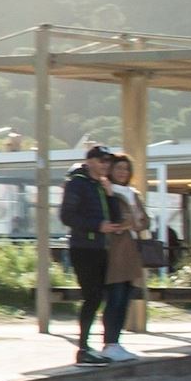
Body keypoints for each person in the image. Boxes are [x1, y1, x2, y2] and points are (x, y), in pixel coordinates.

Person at [59, 144, 128, 366]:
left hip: (101, 248)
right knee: (92, 297)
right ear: (89, 161)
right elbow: (67, 216)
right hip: (83, 248)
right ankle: (83, 348)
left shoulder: (101, 185)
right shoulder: (77, 184)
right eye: (101, 161)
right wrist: (97, 226)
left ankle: (105, 345)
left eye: (107, 162)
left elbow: (115, 219)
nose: (105, 166)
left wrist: (109, 195)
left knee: (103, 296)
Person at [102, 153, 150, 361]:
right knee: (115, 296)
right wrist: (130, 222)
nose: (122, 172)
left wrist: (133, 222)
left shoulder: (132, 193)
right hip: (115, 251)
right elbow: (115, 221)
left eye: (126, 169)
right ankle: (109, 342)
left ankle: (116, 341)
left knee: (126, 297)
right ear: (112, 170)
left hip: (132, 251)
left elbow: (144, 221)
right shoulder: (107, 191)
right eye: (119, 168)